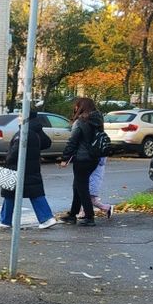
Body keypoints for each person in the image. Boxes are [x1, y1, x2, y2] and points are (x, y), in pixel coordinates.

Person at [0, 108, 59, 230]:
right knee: (31, 193)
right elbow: (46, 143)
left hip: (18, 168)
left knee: (12, 193)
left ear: (26, 117)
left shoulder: (24, 132)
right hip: (32, 168)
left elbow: (15, 152)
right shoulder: (35, 130)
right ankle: (45, 218)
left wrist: (7, 159)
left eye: (20, 116)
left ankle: (6, 220)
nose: (18, 118)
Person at [59, 97, 104, 227]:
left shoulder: (80, 122)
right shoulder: (98, 120)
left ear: (80, 107)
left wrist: (65, 158)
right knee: (78, 185)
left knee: (81, 187)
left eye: (76, 105)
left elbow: (72, 141)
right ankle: (72, 214)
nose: (75, 108)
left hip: (82, 158)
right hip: (94, 158)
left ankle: (89, 216)